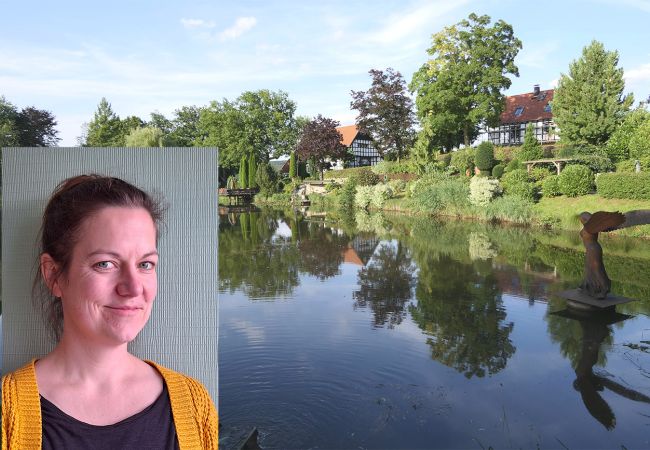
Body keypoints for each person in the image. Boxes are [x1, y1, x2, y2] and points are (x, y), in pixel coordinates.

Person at [1, 175, 218, 449]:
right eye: (105, 263)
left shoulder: (195, 405)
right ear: (53, 275)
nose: (133, 288)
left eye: (145, 264)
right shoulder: (7, 414)